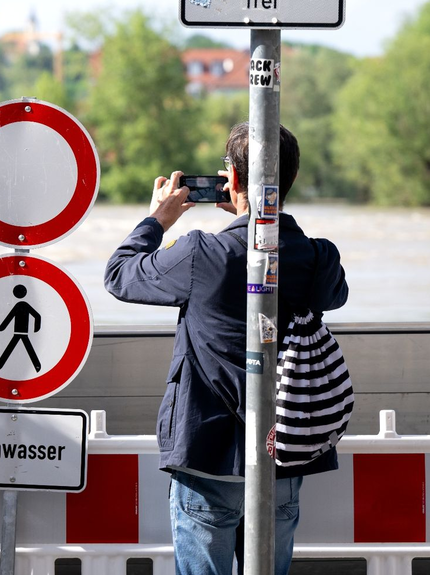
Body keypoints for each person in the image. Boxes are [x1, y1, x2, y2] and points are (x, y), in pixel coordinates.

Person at [103, 123, 349, 575]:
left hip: (209, 455)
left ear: (232, 178)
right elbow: (332, 294)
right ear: (291, 179)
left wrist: (157, 220)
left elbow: (120, 275)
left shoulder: (201, 253)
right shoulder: (320, 258)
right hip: (284, 456)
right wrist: (251, 220)